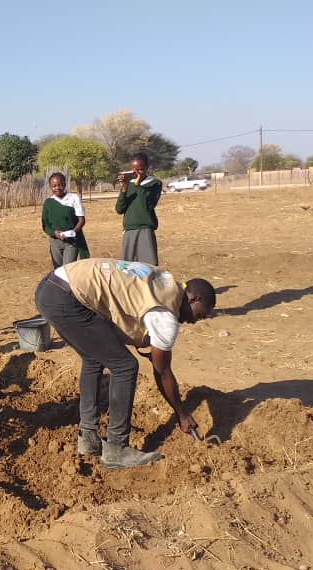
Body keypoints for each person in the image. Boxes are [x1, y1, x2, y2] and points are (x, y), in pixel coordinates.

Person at [34, 258, 216, 469]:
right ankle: (117, 449)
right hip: (68, 298)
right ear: (194, 298)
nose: (194, 321)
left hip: (52, 287)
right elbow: (162, 372)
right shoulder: (166, 317)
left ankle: (88, 438)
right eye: (199, 315)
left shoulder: (165, 280)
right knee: (125, 366)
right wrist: (182, 413)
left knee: (94, 357)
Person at [115, 153, 162, 265]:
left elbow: (149, 204)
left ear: (147, 168)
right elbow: (119, 209)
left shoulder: (154, 183)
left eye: (140, 170)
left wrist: (138, 184)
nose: (136, 173)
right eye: (133, 170)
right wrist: (124, 189)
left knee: (148, 265)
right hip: (129, 229)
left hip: (145, 229)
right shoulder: (128, 185)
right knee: (127, 266)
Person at [41, 172, 89, 268]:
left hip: (71, 241)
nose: (57, 188)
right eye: (54, 186)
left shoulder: (73, 198)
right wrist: (55, 233)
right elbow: (45, 225)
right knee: (58, 271)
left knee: (68, 269)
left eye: (60, 185)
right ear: (50, 187)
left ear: (65, 184)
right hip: (55, 242)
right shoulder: (48, 203)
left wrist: (72, 232)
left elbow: (81, 220)